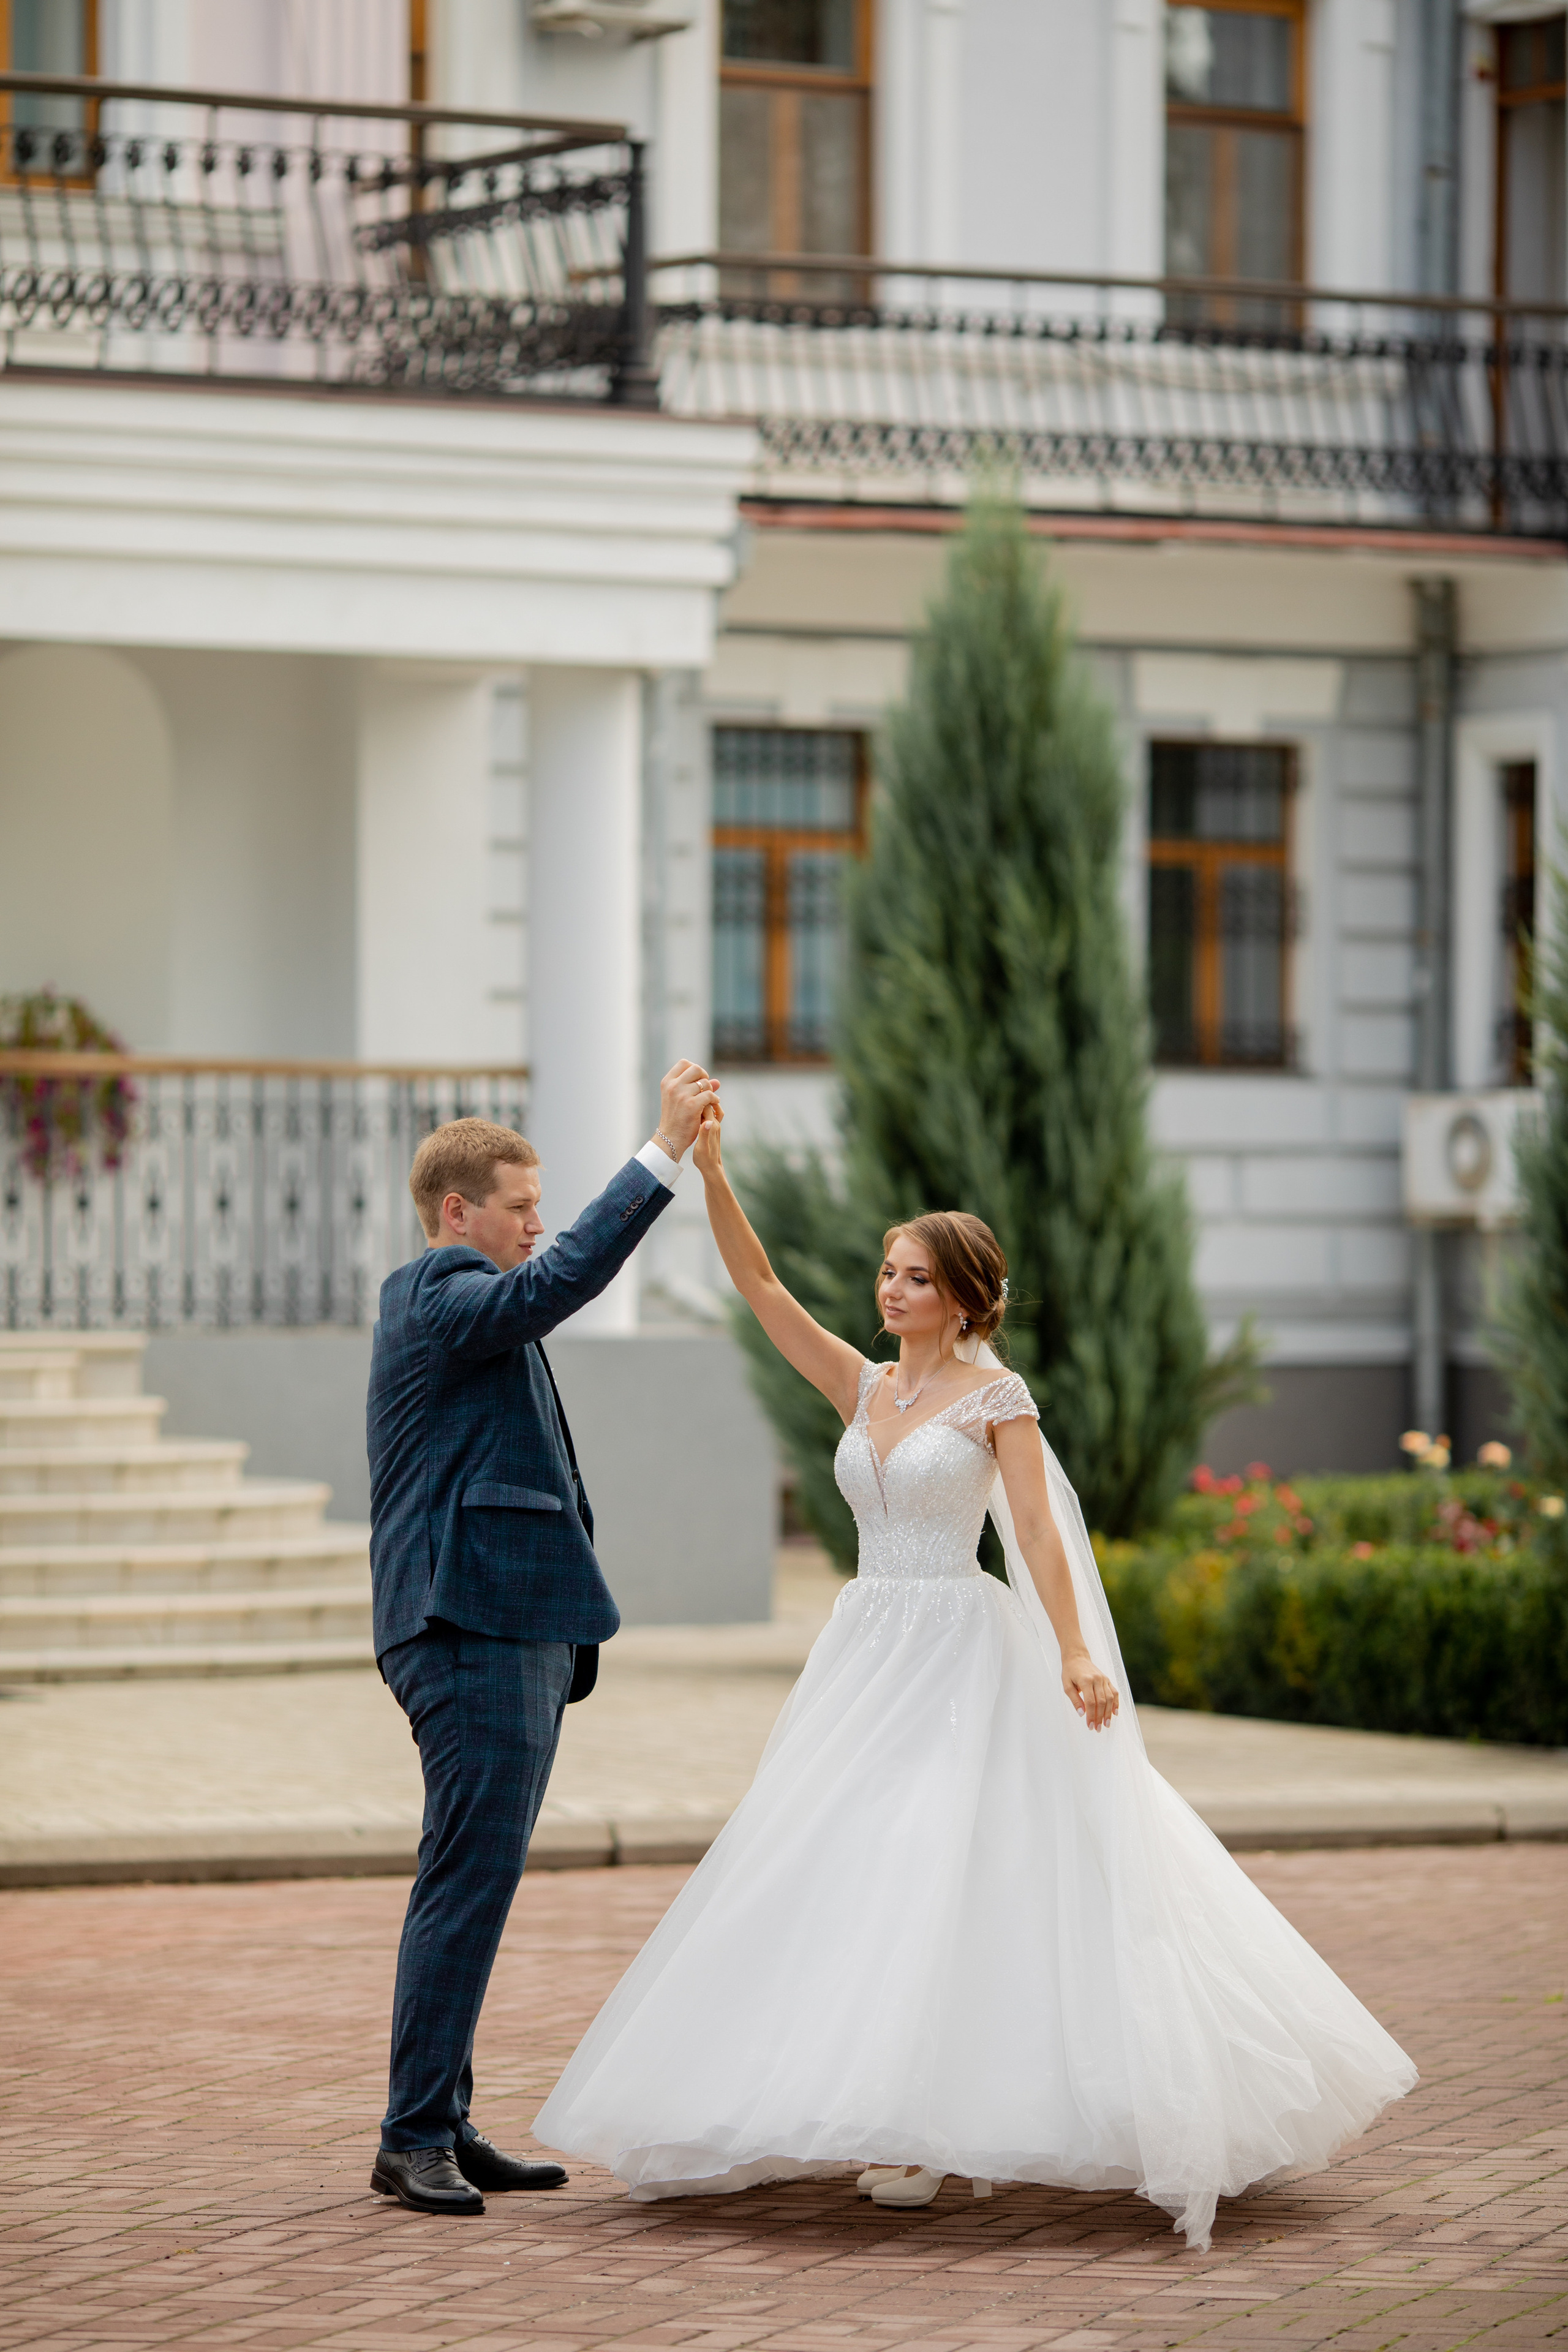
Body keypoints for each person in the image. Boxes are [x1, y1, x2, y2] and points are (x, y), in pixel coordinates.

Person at [533, 1104, 1416, 2252]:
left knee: (939, 1859)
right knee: (841, 1860)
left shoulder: (1000, 1401)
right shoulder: (861, 1388)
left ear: (960, 1297)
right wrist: (711, 1172)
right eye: (886, 1272)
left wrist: (1075, 1651)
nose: (889, 1290)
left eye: (911, 1277)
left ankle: (927, 2131)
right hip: (864, 1655)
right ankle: (885, 2109)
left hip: (962, 1649)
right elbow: (757, 1285)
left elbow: (1041, 1539)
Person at [366, 1064, 716, 2217]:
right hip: (464, 1623)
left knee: (476, 1878)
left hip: (507, 1625)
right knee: (465, 1879)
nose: (537, 1223)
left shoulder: (467, 1303)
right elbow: (559, 1281)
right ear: (458, 1211)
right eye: (520, 1204)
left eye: (538, 1203)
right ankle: (413, 2133)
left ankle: (447, 2122)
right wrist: (660, 1154)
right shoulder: (439, 1289)